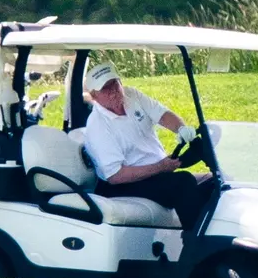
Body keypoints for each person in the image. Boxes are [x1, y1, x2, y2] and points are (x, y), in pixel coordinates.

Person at [82, 61, 214, 232]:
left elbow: (162, 114)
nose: (113, 92)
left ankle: (212, 235)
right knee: (183, 183)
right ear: (94, 96)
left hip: (155, 173)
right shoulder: (98, 125)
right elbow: (116, 175)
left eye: (115, 84)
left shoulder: (132, 96)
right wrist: (160, 167)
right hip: (121, 184)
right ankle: (195, 249)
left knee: (214, 181)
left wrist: (181, 129)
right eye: (105, 89)